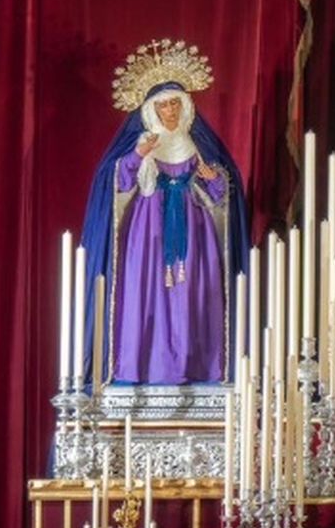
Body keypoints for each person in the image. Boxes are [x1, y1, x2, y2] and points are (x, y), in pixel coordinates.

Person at [80, 40, 249, 385]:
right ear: (151, 110)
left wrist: (214, 178)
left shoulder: (198, 146)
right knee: (147, 290)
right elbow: (117, 182)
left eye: (175, 104)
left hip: (194, 228)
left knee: (195, 292)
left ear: (185, 107)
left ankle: (196, 365)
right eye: (163, 106)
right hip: (149, 228)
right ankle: (144, 366)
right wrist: (138, 156)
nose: (169, 112)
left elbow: (220, 195)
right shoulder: (142, 143)